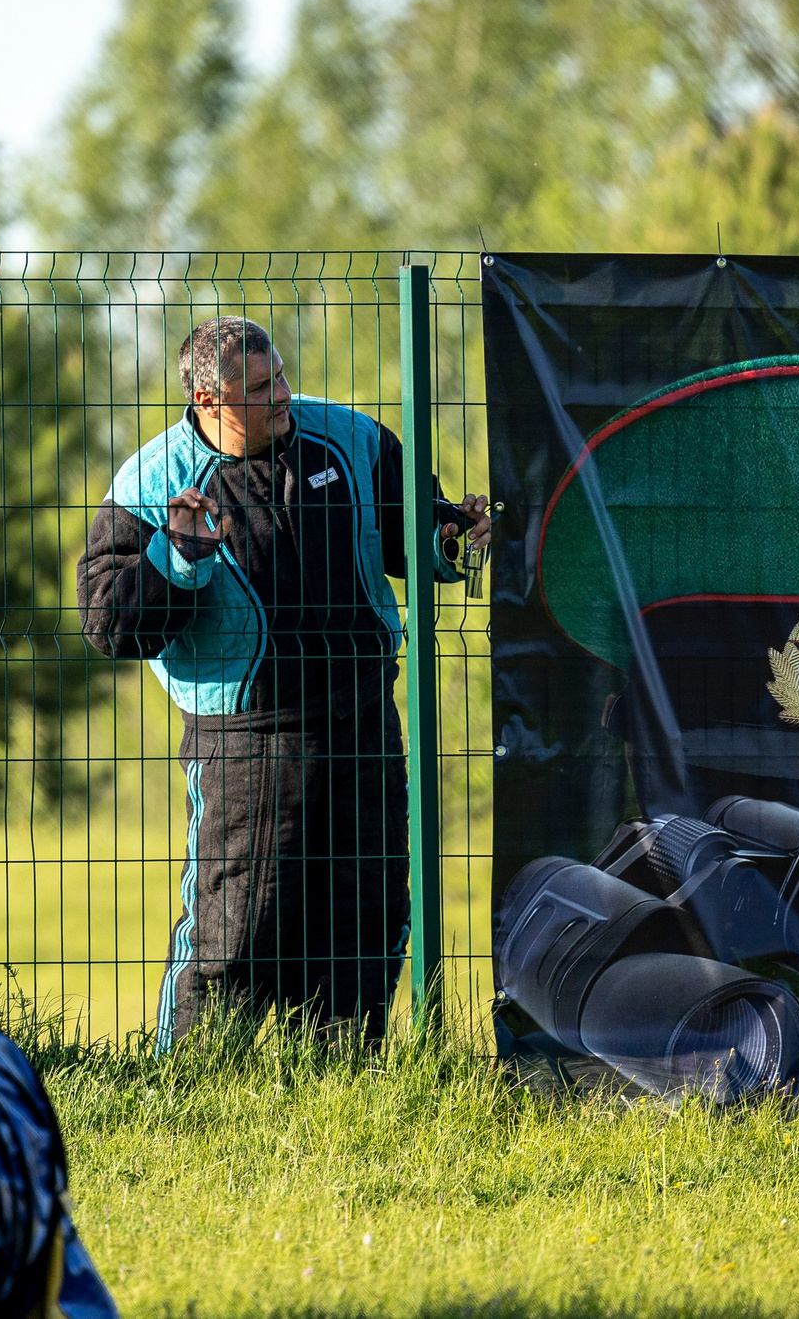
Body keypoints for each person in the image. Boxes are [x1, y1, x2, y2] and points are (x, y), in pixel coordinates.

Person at [77, 316, 489, 1048]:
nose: (285, 396)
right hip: (245, 735)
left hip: (362, 714)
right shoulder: (153, 480)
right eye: (261, 389)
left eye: (281, 377)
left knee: (366, 913)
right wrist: (176, 559)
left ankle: (342, 1083)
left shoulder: (353, 442)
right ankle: (194, 1084)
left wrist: (450, 541)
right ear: (208, 400)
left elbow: (416, 533)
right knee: (236, 928)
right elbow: (109, 623)